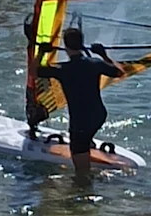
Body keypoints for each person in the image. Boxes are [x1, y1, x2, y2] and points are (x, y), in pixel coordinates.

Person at [31, 28, 125, 180]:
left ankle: (85, 185)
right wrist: (103, 55)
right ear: (81, 43)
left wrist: (42, 52)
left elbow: (34, 72)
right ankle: (88, 145)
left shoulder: (62, 69)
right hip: (99, 115)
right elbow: (120, 71)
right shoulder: (95, 63)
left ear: (65, 45)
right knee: (85, 137)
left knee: (81, 172)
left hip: (80, 121)